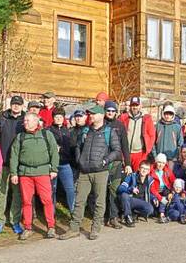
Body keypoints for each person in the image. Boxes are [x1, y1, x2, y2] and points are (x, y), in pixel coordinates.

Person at [60, 105, 122, 240]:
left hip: (101, 171)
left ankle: (95, 228)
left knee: (99, 202)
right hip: (84, 171)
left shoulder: (109, 132)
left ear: (101, 116)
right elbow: (78, 146)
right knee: (79, 201)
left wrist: (105, 161)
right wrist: (79, 160)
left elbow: (117, 151)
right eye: (90, 114)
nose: (91, 116)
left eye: (93, 114)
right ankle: (74, 228)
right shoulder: (86, 131)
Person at [10, 112, 59, 240]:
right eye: (24, 120)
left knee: (47, 200)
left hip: (42, 172)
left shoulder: (46, 134)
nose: (25, 122)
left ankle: (51, 227)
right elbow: (14, 155)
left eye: (28, 120)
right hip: (25, 174)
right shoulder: (20, 137)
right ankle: (28, 227)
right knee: (26, 202)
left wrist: (54, 169)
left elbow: (54, 151)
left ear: (36, 122)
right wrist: (14, 173)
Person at [0, 95, 24, 234]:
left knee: (17, 194)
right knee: (1, 192)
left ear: (22, 106)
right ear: (10, 105)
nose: (16, 106)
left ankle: (15, 221)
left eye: (18, 104)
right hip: (3, 162)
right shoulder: (1, 119)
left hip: (19, 164)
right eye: (14, 104)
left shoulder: (26, 120)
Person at [104, 100, 130, 230]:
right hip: (103, 162)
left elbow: (125, 145)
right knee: (101, 190)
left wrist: (128, 163)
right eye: (108, 110)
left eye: (113, 111)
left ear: (116, 112)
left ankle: (113, 217)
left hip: (117, 162)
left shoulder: (120, 125)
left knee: (114, 189)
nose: (110, 113)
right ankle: (103, 216)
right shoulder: (100, 124)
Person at [48, 106, 75, 215]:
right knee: (51, 191)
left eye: (60, 117)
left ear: (64, 118)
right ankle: (51, 213)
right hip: (52, 165)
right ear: (53, 118)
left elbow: (72, 147)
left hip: (65, 164)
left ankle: (73, 212)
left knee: (70, 189)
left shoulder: (68, 131)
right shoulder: (48, 131)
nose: (58, 119)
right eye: (56, 117)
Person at [117, 160, 155, 227]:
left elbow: (148, 193)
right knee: (124, 195)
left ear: (149, 171)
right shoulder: (132, 176)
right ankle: (128, 217)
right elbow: (120, 188)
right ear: (139, 168)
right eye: (142, 168)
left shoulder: (149, 180)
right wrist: (131, 189)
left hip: (141, 201)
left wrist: (154, 198)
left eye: (146, 169)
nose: (144, 170)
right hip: (130, 200)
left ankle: (135, 214)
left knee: (150, 209)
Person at [150, 153, 176, 223]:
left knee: (166, 193)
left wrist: (172, 192)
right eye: (159, 162)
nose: (161, 165)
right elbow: (151, 188)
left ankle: (162, 214)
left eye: (163, 163)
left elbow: (174, 182)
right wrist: (160, 198)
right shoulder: (151, 170)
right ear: (156, 162)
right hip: (155, 191)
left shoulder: (167, 170)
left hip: (165, 190)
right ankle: (161, 213)